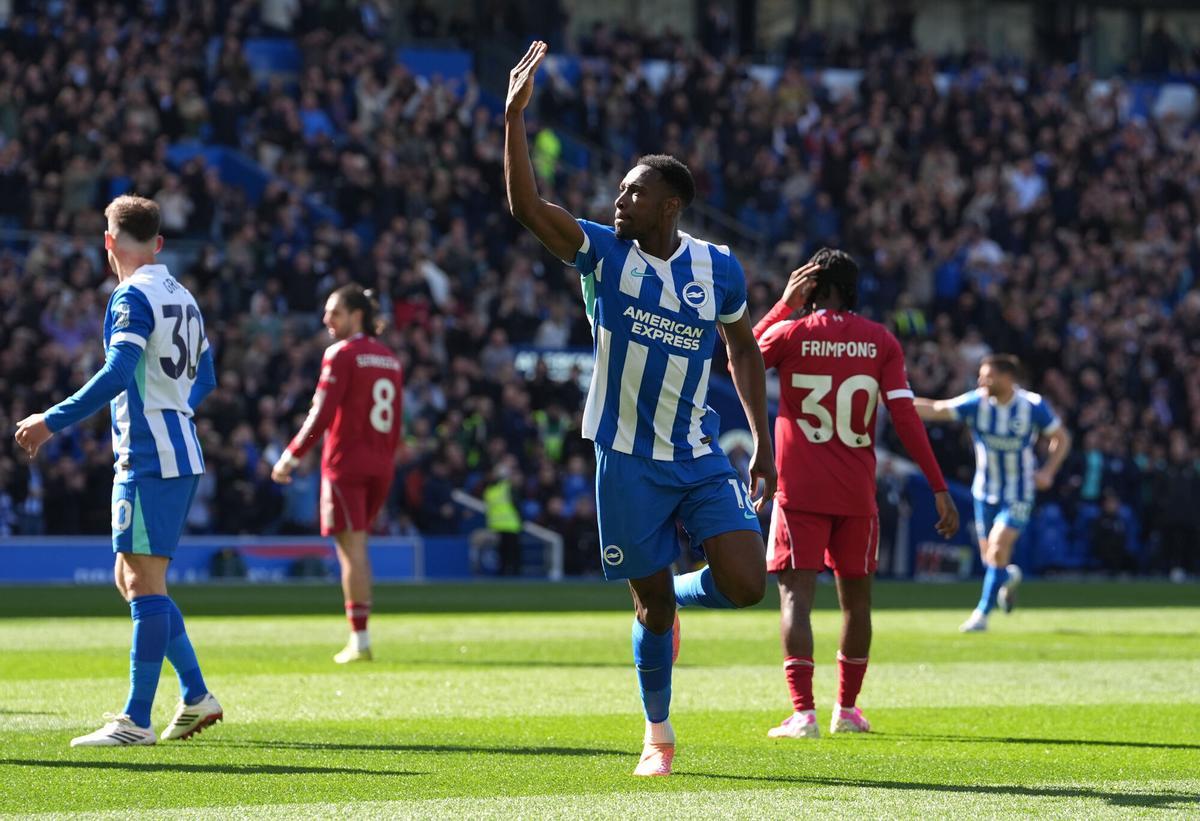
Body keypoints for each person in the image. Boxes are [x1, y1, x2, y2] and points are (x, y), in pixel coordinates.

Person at [504, 41, 777, 777]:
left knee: (749, 583)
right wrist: (513, 119)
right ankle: (657, 735)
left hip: (695, 451)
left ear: (669, 204)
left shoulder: (716, 268)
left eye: (631, 193)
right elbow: (527, 207)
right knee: (649, 607)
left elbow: (743, 350)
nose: (617, 201)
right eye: (618, 192)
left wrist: (765, 445)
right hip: (623, 456)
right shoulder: (600, 253)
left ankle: (689, 588)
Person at [14, 195, 222, 746]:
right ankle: (197, 694)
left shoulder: (131, 295)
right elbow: (208, 376)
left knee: (142, 582)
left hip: (151, 456)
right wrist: (175, 405)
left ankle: (135, 720)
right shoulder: (184, 296)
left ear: (109, 242)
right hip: (173, 448)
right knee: (132, 579)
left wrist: (50, 420)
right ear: (158, 242)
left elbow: (116, 371)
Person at [753, 249, 959, 739]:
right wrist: (938, 486)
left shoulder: (790, 333)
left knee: (794, 600)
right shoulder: (880, 341)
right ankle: (846, 710)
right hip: (856, 493)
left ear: (810, 285)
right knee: (857, 604)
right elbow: (906, 419)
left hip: (799, 488)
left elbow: (739, 356)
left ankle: (803, 714)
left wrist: (783, 305)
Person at [272, 285, 403, 663]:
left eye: (335, 313)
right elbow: (395, 421)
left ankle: (359, 640)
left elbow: (322, 412)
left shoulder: (341, 354)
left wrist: (292, 456)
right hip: (381, 464)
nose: (327, 320)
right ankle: (359, 635)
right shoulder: (389, 359)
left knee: (352, 551)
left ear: (356, 315)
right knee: (358, 548)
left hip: (346, 464)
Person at [915, 354, 1071, 631]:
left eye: (987, 376)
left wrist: (1048, 471)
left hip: (1019, 491)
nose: (981, 381)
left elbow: (1062, 438)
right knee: (991, 558)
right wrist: (896, 400)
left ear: (1007, 378)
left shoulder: (1031, 406)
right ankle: (1007, 577)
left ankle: (982, 614)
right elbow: (938, 409)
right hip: (984, 491)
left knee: (999, 545)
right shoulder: (977, 403)